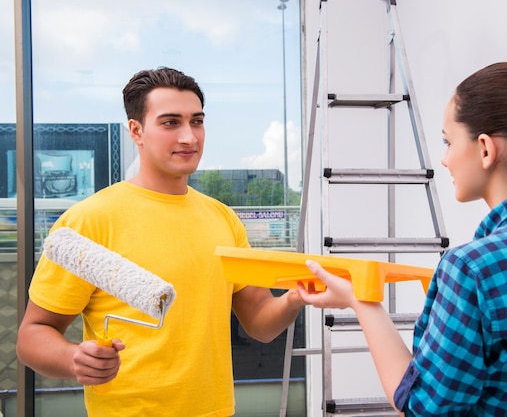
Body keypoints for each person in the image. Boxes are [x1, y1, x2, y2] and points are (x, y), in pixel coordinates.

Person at [298, 61, 507, 416]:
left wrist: (362, 303)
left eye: (448, 141)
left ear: (485, 149)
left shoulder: (473, 269)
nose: (444, 159)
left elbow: (423, 407)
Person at [16, 67, 305, 416]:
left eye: (196, 121)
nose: (189, 137)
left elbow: (259, 323)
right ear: (136, 131)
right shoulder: (89, 221)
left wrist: (295, 297)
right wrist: (73, 358)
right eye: (171, 123)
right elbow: (32, 336)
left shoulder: (223, 219)